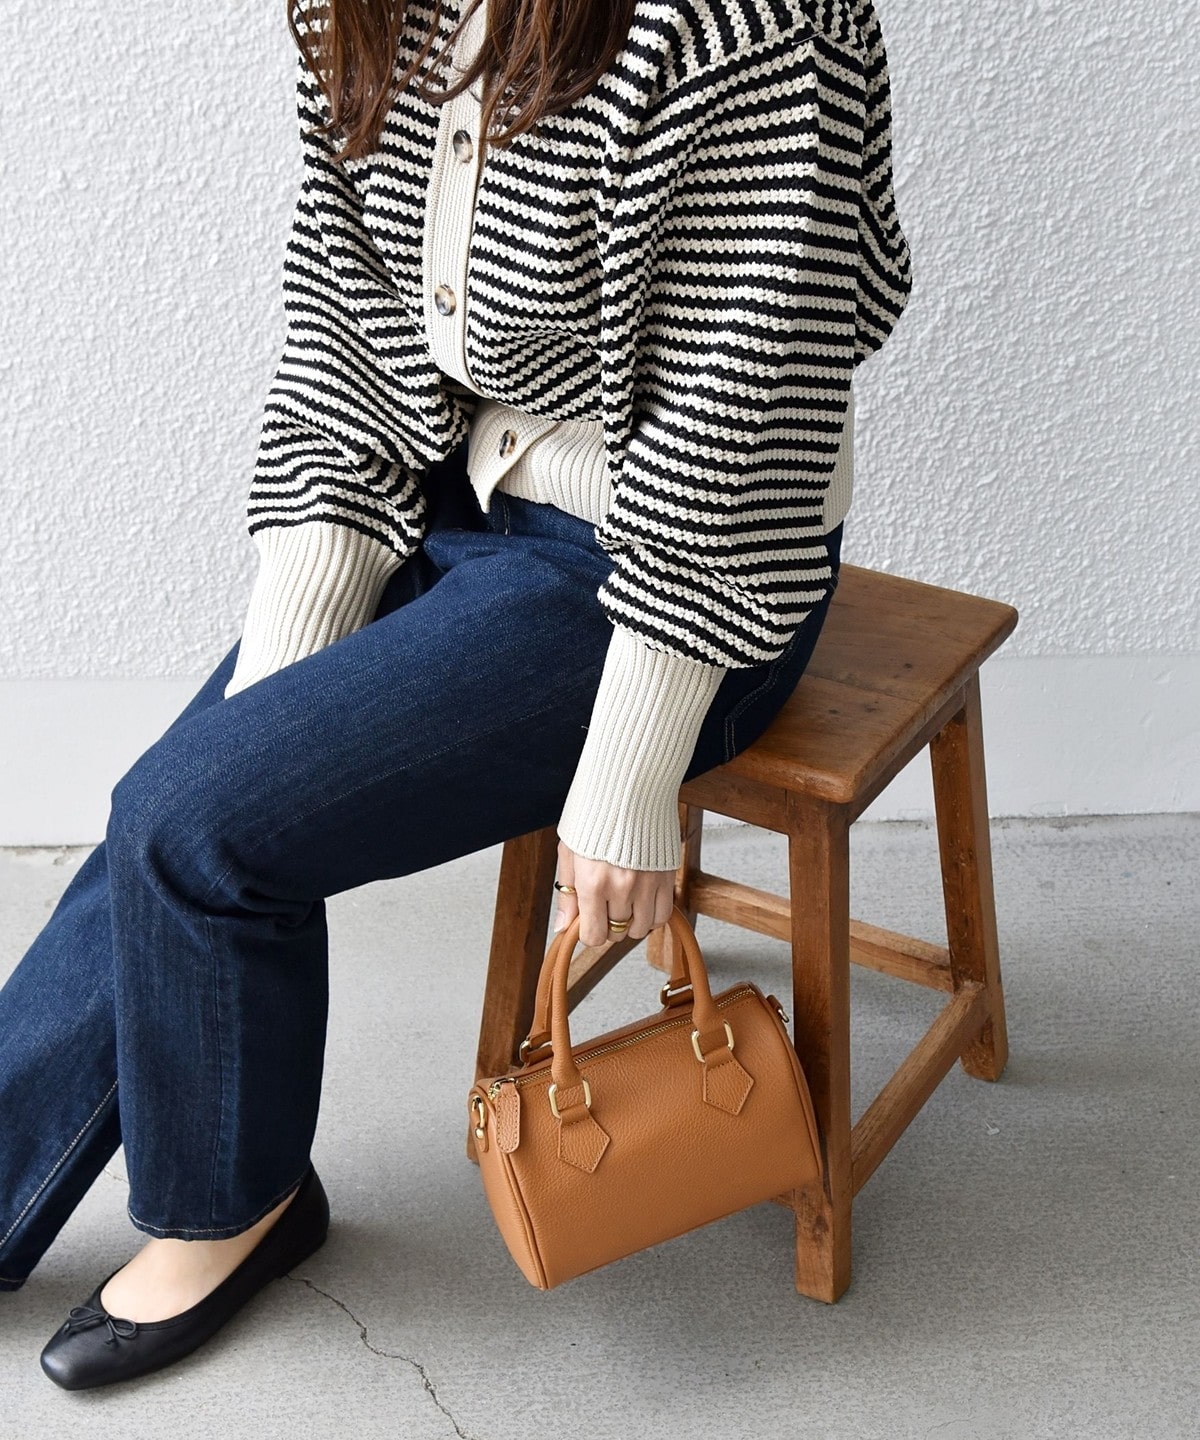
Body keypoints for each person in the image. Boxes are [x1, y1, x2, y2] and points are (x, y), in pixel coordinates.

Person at [1, 0, 910, 1390]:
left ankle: (231, 1209)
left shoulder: (752, 25)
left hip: (680, 576)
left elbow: (738, 427)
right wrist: (282, 683)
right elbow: (349, 334)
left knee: (187, 822)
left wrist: (630, 777)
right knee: (175, 813)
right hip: (452, 495)